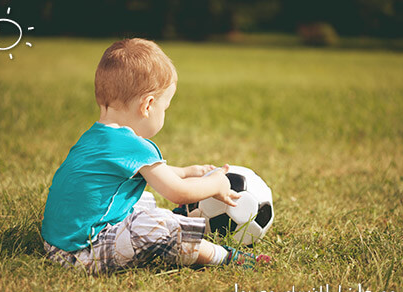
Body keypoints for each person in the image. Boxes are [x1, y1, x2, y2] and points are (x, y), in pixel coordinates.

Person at [41, 38, 271, 273]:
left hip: (55, 244)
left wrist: (184, 172)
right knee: (161, 225)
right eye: (165, 107)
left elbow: (144, 172)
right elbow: (177, 192)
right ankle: (222, 256)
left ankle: (182, 224)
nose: (164, 114)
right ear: (148, 105)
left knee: (142, 201)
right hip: (83, 254)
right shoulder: (136, 145)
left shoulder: (95, 136)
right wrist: (216, 183)